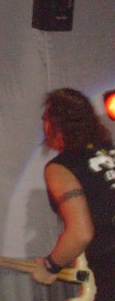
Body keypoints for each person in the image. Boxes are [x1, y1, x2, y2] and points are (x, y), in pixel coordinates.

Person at [32, 88, 115, 300]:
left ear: (53, 125)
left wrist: (50, 266)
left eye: (45, 119)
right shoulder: (111, 151)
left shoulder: (61, 168)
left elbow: (80, 233)